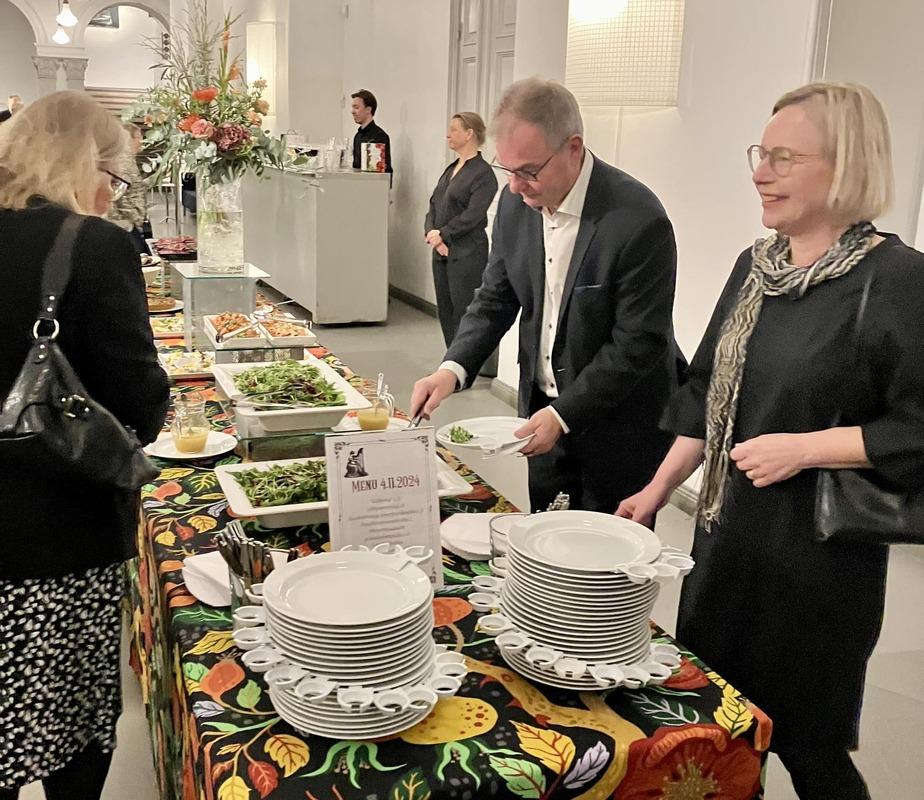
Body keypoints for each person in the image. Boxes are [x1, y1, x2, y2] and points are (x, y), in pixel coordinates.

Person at [617, 82, 924, 800]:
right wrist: (657, 490)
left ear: (847, 164)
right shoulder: (755, 269)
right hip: (727, 543)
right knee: (723, 733)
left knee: (809, 747)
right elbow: (706, 391)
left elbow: (916, 427)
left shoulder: (899, 280)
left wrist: (806, 448)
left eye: (785, 158)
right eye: (761, 154)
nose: (761, 172)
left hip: (819, 565)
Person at [0, 91, 170, 800]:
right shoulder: (94, 245)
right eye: (114, 176)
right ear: (83, 163)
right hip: (59, 538)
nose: (112, 193)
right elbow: (137, 404)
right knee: (73, 733)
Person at [411, 78, 682, 513]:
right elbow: (495, 297)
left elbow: (638, 342)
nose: (515, 186)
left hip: (618, 427)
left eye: (528, 171)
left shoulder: (636, 219)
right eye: (507, 169)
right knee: (542, 535)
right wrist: (451, 369)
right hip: (541, 415)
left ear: (573, 148)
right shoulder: (515, 204)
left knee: (602, 551)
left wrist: (563, 415)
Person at [425, 112, 498, 348]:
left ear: (469, 134)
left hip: (467, 253)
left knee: (464, 311)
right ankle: (451, 358)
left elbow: (473, 215)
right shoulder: (451, 169)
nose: (448, 135)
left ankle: (464, 360)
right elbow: (434, 203)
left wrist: (443, 234)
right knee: (445, 310)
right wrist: (433, 234)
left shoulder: (483, 174)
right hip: (441, 251)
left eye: (454, 129)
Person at [107, 122, 150, 255]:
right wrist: (125, 223)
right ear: (128, 138)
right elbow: (113, 196)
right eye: (139, 137)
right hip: (125, 229)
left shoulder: (124, 160)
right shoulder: (124, 162)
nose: (141, 141)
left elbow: (132, 188)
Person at [351, 89, 392, 173]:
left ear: (368, 110)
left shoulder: (379, 136)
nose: (352, 111)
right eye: (353, 108)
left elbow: (383, 172)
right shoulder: (358, 136)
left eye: (356, 107)